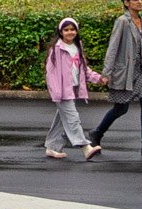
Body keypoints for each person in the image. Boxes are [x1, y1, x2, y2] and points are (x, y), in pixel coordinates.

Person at [90, 0, 142, 160]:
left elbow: (141, 44)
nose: (140, 2)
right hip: (125, 71)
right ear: (126, 3)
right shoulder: (122, 21)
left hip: (140, 71)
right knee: (121, 108)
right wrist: (106, 73)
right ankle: (97, 132)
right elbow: (113, 47)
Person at [42, 17, 103, 159]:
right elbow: (50, 73)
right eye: (66, 30)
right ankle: (85, 147)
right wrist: (56, 91)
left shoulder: (77, 46)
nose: (70, 32)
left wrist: (98, 78)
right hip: (61, 91)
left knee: (62, 119)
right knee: (72, 118)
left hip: (73, 88)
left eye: (72, 29)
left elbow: (83, 69)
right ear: (61, 32)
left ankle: (52, 147)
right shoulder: (56, 49)